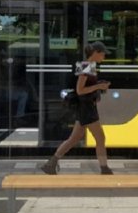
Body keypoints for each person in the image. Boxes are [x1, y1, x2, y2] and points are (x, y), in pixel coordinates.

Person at [41, 41, 113, 175]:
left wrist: (98, 86)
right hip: (87, 108)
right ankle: (104, 168)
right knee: (100, 138)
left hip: (85, 107)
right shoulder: (86, 66)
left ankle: (51, 164)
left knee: (74, 138)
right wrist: (98, 87)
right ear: (96, 53)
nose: (104, 57)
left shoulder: (88, 66)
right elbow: (80, 90)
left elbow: (85, 87)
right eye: (103, 54)